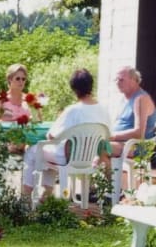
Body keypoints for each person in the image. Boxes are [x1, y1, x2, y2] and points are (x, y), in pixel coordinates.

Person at [21, 68, 110, 201]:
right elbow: (108, 136)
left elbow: (51, 136)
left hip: (68, 158)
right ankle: (46, 195)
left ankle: (25, 197)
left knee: (32, 151)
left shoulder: (73, 110)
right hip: (90, 158)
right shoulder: (103, 109)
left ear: (74, 89)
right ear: (91, 85)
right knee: (48, 154)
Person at [0, 63, 42, 153]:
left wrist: (32, 118)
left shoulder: (30, 100)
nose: (21, 82)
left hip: (28, 146)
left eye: (23, 79)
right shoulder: (2, 100)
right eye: (17, 79)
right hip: (6, 146)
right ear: (10, 79)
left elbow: (39, 123)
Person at [109, 66, 156, 156]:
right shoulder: (124, 98)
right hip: (122, 143)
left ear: (133, 80)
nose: (117, 83)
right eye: (115, 80)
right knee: (90, 144)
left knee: (100, 147)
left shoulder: (141, 99)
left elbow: (139, 133)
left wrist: (113, 136)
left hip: (137, 146)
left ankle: (105, 169)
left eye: (121, 80)